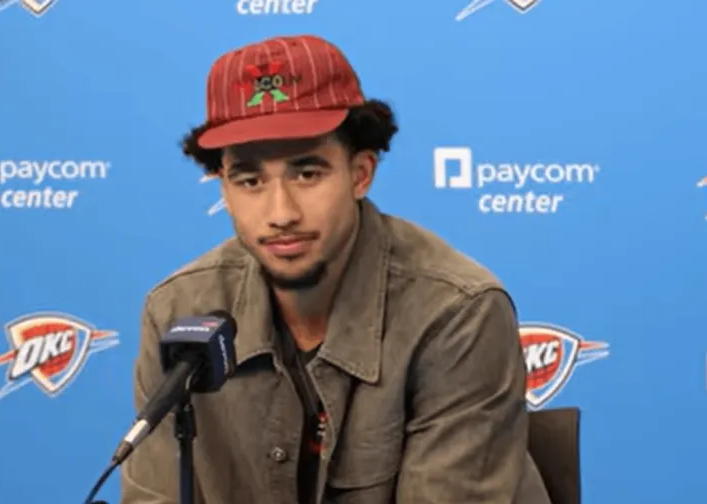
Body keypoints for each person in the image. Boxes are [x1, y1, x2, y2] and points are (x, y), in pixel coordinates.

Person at [120, 34, 551, 504]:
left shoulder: (457, 313)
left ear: (360, 173)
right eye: (250, 181)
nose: (281, 213)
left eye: (307, 174)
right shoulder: (178, 311)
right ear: (223, 187)